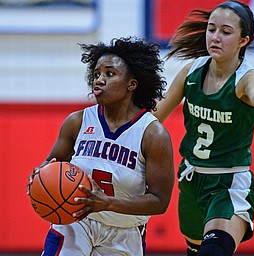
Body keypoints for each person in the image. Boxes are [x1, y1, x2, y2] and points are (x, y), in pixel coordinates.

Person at [153, 1, 254, 255]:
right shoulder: (192, 70)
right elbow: (155, 117)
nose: (215, 37)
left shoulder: (246, 78)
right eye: (211, 29)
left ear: (243, 40)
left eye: (226, 32)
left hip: (228, 183)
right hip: (192, 179)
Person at [27, 36, 174, 256]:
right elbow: (52, 162)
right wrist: (40, 174)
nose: (99, 80)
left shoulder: (153, 134)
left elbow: (160, 201)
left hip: (124, 231)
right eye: (96, 74)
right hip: (77, 221)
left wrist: (108, 203)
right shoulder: (77, 122)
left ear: (131, 84)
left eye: (109, 74)